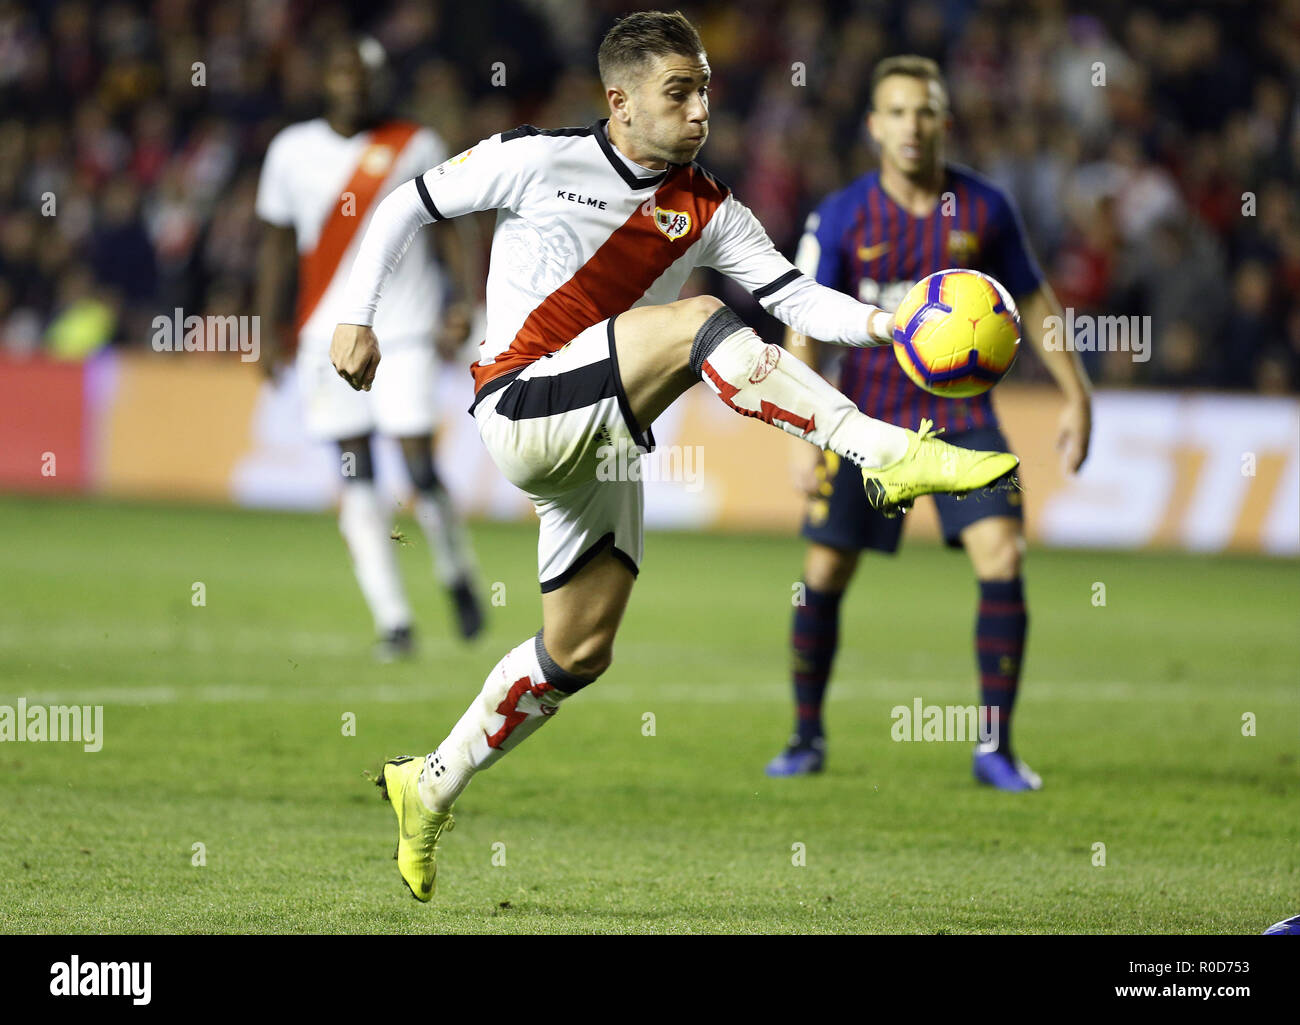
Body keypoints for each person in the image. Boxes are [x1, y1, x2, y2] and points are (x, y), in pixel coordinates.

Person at [330, 12, 1019, 901]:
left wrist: (893, 323)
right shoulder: (536, 158)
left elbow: (795, 297)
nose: (700, 110)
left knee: (579, 650)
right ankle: (880, 450)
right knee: (698, 321)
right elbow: (403, 204)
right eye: (679, 92)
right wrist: (359, 315)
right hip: (521, 401)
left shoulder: (709, 208)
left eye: (704, 90)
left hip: (605, 442)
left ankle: (426, 784)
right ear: (620, 102)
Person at [765, 56, 1092, 790]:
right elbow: (805, 326)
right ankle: (806, 735)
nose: (913, 125)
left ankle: (994, 749)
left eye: (926, 111)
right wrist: (800, 428)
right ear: (874, 126)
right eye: (898, 112)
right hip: (862, 422)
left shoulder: (985, 209)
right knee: (824, 571)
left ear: (944, 121)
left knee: (1003, 558)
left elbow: (1033, 303)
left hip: (964, 417)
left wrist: (1077, 390)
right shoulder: (841, 215)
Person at [255, 36, 484, 660]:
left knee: (416, 464)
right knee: (354, 475)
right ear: (323, 78)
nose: (351, 84)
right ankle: (394, 621)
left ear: (379, 82)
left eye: (363, 74)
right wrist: (266, 328)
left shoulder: (416, 144)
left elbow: (455, 228)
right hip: (322, 341)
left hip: (403, 333)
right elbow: (275, 245)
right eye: (340, 72)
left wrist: (465, 302)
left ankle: (455, 570)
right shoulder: (290, 151)